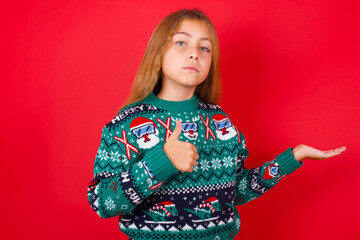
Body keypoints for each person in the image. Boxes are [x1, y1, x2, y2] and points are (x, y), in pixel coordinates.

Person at [87, 9, 346, 240]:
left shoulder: (220, 122)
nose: (194, 53)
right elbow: (102, 202)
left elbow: (237, 191)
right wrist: (161, 162)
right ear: (158, 53)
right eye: (181, 42)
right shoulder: (127, 123)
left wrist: (291, 158)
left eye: (205, 48)